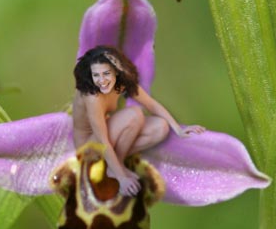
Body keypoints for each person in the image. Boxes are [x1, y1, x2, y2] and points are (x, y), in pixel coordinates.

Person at [72, 45, 204, 197]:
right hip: (88, 147)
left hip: (109, 137)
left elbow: (151, 104)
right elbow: (102, 140)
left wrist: (178, 129)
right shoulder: (92, 97)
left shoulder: (121, 84)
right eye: (96, 75)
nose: (102, 80)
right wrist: (121, 179)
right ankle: (116, 168)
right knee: (135, 114)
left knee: (160, 127)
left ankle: (116, 163)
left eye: (106, 73)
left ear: (117, 70)